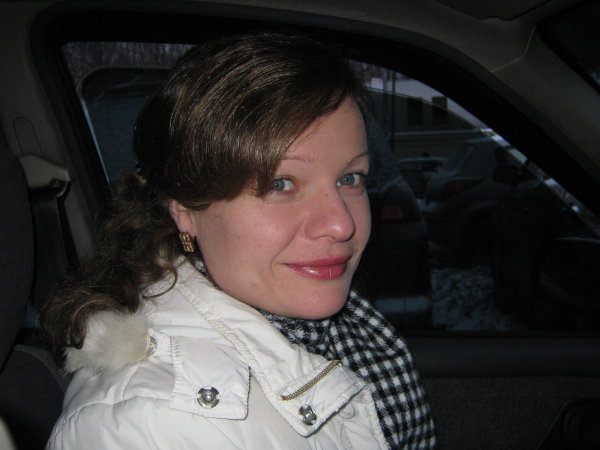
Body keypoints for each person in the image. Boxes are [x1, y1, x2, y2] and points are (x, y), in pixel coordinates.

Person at [42, 31, 436, 449]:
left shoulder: (345, 336)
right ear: (184, 207)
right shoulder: (149, 425)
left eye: (350, 178)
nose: (341, 225)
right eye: (280, 184)